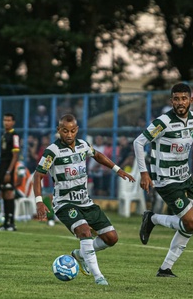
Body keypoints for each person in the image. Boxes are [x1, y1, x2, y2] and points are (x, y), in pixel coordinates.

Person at [133, 82, 193, 277]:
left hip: (184, 177)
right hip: (165, 179)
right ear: (171, 101)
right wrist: (144, 173)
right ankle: (152, 219)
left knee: (190, 224)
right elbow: (139, 142)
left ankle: (165, 268)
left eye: (184, 98)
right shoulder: (163, 122)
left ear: (191, 100)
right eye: (176, 99)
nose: (180, 102)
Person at [33, 114, 135, 286]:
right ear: (59, 130)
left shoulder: (83, 145)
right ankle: (99, 277)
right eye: (65, 131)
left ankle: (79, 255)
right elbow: (38, 176)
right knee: (84, 231)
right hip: (64, 203)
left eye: (72, 131)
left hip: (85, 201)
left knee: (111, 238)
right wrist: (39, 201)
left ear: (77, 130)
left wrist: (117, 169)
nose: (69, 135)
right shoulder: (52, 151)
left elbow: (97, 155)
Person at [0, 113, 21, 231]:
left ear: (13, 122)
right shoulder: (4, 134)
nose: (6, 122)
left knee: (9, 193)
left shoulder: (14, 135)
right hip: (2, 166)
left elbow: (15, 155)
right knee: (4, 194)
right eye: (5, 120)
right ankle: (5, 222)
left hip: (8, 168)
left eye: (9, 120)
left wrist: (8, 171)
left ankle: (11, 222)